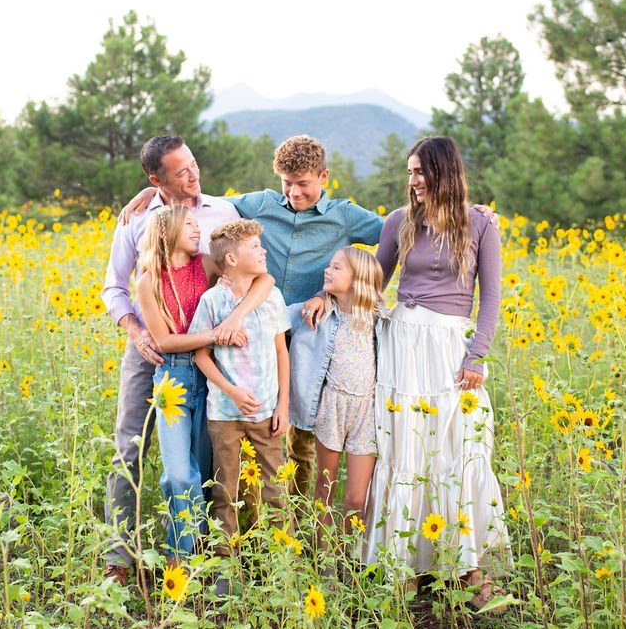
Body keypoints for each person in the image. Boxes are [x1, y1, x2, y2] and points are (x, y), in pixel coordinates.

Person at [121, 135, 385, 501]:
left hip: (308, 337)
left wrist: (338, 292)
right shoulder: (259, 204)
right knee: (245, 431)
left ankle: (295, 525)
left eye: (303, 184)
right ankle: (247, 523)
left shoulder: (344, 215)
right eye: (286, 183)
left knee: (300, 437)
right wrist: (150, 195)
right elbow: (195, 205)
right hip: (251, 339)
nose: (293, 193)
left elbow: (396, 236)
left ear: (324, 176)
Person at [101, 134, 259, 584]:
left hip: (208, 355)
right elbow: (114, 287)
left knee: (205, 451)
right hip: (151, 348)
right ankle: (119, 557)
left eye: (193, 164)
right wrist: (137, 330)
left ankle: (194, 548)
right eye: (180, 171)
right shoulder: (136, 221)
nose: (193, 175)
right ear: (157, 179)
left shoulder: (225, 211)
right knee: (130, 445)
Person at [362, 136, 510, 609]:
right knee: (404, 448)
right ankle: (404, 564)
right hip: (403, 342)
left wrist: (476, 356)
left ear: (445, 172)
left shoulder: (481, 224)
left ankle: (468, 567)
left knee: (457, 448)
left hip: (448, 347)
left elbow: (491, 299)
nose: (412, 181)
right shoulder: (399, 222)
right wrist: (331, 296)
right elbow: (375, 281)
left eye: (420, 172)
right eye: (409, 173)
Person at [135, 205, 273, 563]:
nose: (198, 230)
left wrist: (238, 316)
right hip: (173, 378)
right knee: (180, 474)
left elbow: (265, 280)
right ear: (167, 232)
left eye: (199, 224)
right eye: (190, 225)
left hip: (211, 374)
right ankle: (181, 555)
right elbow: (163, 342)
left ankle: (193, 555)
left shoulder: (209, 265)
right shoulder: (148, 281)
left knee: (207, 471)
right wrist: (217, 333)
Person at [188, 220, 291, 586]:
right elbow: (201, 354)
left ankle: (277, 564)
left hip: (267, 412)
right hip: (225, 414)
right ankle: (224, 568)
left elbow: (282, 351)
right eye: (255, 247)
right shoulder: (212, 301)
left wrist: (283, 406)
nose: (263, 251)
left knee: (275, 489)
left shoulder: (270, 297)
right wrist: (231, 391)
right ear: (231, 258)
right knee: (225, 489)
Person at [287, 247, 384, 571]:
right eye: (329, 266)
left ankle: (346, 555)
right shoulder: (317, 313)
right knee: (324, 488)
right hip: (332, 406)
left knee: (357, 498)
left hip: (365, 412)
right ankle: (326, 561)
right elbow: (271, 316)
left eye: (337, 268)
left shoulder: (380, 319)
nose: (328, 271)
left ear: (358, 280)